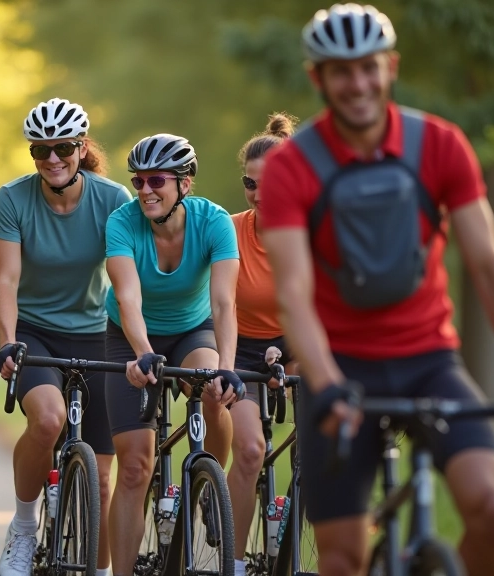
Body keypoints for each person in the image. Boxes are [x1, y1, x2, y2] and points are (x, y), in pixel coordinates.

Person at [259, 5, 494, 576]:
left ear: (390, 67)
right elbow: (294, 295)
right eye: (341, 71)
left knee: (491, 506)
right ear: (316, 78)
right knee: (343, 558)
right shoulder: (292, 169)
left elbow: (491, 268)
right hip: (339, 369)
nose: (358, 84)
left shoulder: (439, 145)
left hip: (429, 362)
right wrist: (327, 385)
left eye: (369, 67)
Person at [0, 97, 132, 576]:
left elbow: (127, 283)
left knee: (104, 476)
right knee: (49, 419)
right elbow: (6, 280)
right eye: (41, 150)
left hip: (97, 334)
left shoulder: (114, 199)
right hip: (34, 334)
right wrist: (7, 340)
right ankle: (25, 528)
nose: (52, 159)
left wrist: (141, 344)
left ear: (82, 147)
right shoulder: (13, 198)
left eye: (64, 148)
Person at [104, 133, 241, 575]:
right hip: (130, 336)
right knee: (134, 469)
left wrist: (228, 367)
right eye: (139, 181)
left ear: (184, 184)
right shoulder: (123, 222)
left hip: (191, 330)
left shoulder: (214, 222)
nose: (145, 190)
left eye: (156, 181)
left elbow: (223, 303)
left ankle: (208, 480)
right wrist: (143, 354)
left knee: (213, 389)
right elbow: (128, 299)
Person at [226, 113, 301, 576]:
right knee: (251, 450)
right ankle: (233, 563)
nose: (258, 195)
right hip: (238, 349)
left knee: (321, 446)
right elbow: (214, 302)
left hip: (295, 345)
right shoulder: (229, 230)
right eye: (250, 184)